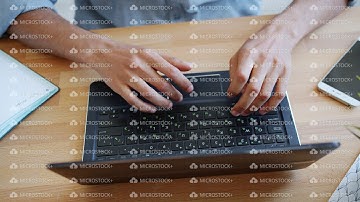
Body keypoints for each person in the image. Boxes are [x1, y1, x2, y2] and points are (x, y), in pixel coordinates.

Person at [1, 0, 356, 115]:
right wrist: (98, 51)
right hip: (103, 57)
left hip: (240, 48)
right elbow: (14, 6)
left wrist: (280, 36)